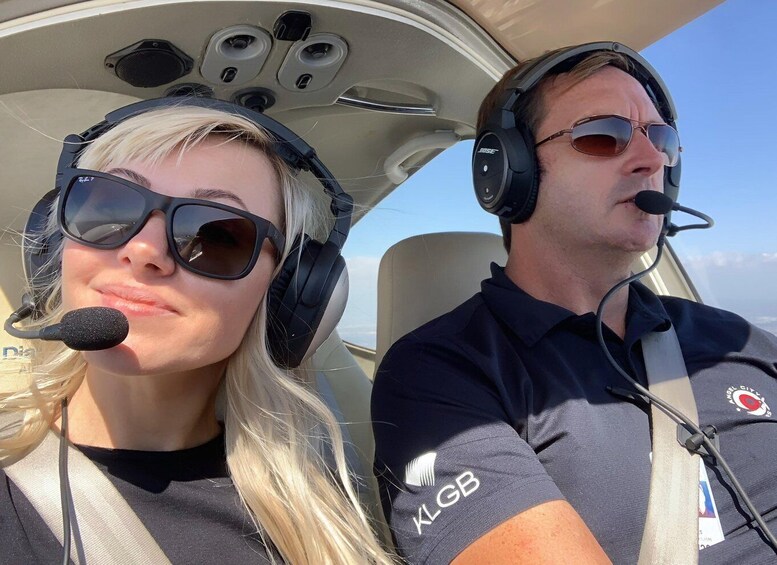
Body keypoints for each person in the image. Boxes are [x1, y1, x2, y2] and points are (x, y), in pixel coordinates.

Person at [371, 43, 777, 564]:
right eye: (603, 135)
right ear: (509, 170)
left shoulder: (737, 339)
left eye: (662, 138)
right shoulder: (441, 375)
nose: (653, 159)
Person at [0, 99, 392, 564]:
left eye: (216, 235)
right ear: (56, 247)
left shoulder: (316, 524)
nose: (144, 249)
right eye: (108, 206)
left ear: (283, 294)